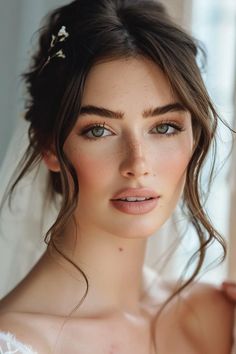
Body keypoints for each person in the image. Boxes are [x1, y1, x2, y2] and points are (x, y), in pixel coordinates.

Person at [0, 0, 235, 353]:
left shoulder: (220, 319)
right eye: (99, 130)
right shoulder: (15, 342)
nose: (138, 163)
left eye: (165, 127)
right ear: (49, 146)